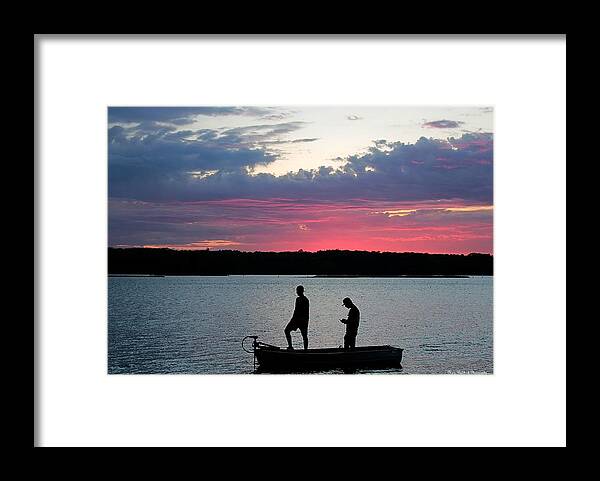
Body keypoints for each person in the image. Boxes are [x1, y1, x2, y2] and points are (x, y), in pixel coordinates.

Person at [284, 285, 310, 350]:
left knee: (304, 336)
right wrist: (293, 319)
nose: (297, 292)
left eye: (297, 291)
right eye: (297, 291)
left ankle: (305, 350)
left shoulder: (305, 300)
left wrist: (303, 321)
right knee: (286, 331)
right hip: (297, 320)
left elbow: (305, 312)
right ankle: (290, 346)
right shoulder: (298, 299)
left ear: (301, 291)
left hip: (302, 321)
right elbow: (295, 311)